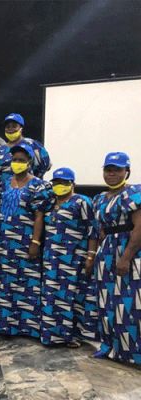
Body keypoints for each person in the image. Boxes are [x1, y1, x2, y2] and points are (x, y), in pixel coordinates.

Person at [0, 143, 52, 338]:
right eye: (14, 160)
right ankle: (3, 324)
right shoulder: (5, 183)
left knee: (25, 283)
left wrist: (35, 242)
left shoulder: (39, 185)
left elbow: (39, 216)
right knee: (3, 283)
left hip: (25, 241)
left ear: (30, 162)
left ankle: (26, 327)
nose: (17, 163)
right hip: (4, 241)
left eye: (21, 160)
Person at [40, 167, 99, 347]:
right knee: (52, 295)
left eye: (64, 183)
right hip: (52, 258)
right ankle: (54, 334)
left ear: (72, 184)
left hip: (73, 259)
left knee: (71, 296)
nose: (60, 186)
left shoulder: (81, 202)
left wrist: (90, 256)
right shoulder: (50, 203)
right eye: (56, 182)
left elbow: (93, 231)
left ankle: (72, 335)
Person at [92, 152, 141, 364]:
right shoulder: (100, 198)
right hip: (106, 253)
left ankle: (131, 354)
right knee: (106, 301)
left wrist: (126, 257)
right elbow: (101, 229)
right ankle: (110, 347)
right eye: (108, 169)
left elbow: (139, 226)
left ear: (126, 171)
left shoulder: (133, 193)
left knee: (128, 303)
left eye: (117, 169)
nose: (111, 173)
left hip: (126, 250)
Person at [0, 113, 51, 190]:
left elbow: (46, 165)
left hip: (28, 193)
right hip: (5, 194)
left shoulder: (33, 145)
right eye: (8, 126)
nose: (10, 129)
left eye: (14, 126)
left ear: (21, 128)